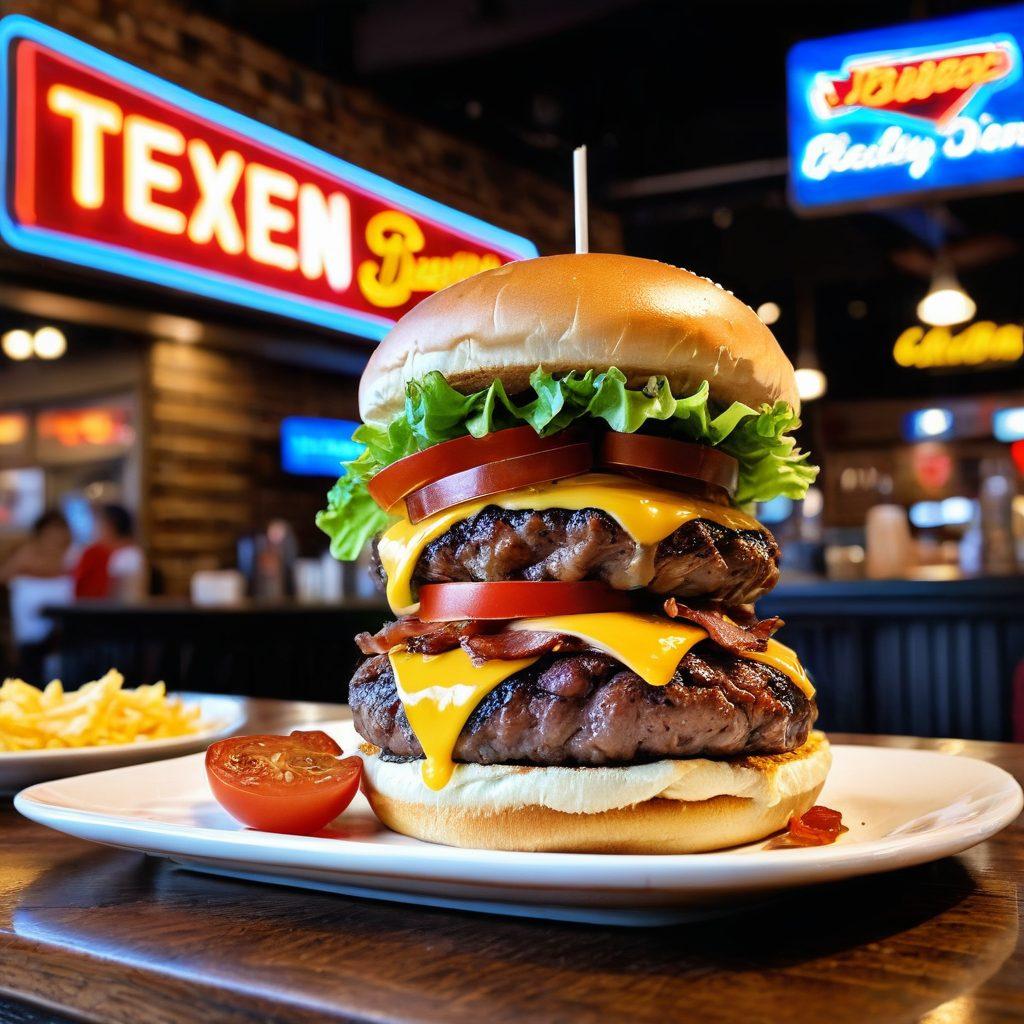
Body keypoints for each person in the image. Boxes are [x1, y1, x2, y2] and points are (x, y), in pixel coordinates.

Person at [74, 504, 147, 601]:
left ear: (110, 526)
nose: (94, 529)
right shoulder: (98, 553)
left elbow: (131, 599)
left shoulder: (129, 556)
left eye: (98, 523)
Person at [0, 510, 73, 583]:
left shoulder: (71, 558)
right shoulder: (26, 556)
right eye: (51, 538)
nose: (54, 544)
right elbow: (3, 576)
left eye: (59, 541)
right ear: (39, 537)